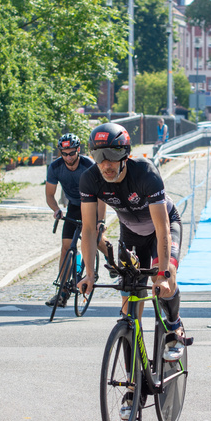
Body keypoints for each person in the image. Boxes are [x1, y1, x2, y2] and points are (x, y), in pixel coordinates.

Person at [77, 123, 186, 364]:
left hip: (162, 228)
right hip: (132, 233)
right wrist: (89, 274)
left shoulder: (145, 172)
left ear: (125, 154)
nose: (106, 164)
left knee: (164, 280)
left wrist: (164, 273)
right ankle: (132, 385)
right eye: (98, 156)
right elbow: (87, 229)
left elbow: (162, 228)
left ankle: (174, 325)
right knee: (128, 309)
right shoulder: (90, 179)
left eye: (113, 156)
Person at [45, 133, 108, 307]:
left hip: (92, 203)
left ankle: (111, 260)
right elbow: (49, 195)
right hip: (74, 206)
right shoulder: (56, 167)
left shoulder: (89, 165)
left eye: (72, 153)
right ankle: (62, 292)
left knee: (97, 239)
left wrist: (101, 220)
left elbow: (102, 195)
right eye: (64, 153)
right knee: (66, 247)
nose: (68, 157)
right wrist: (56, 209)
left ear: (78, 150)